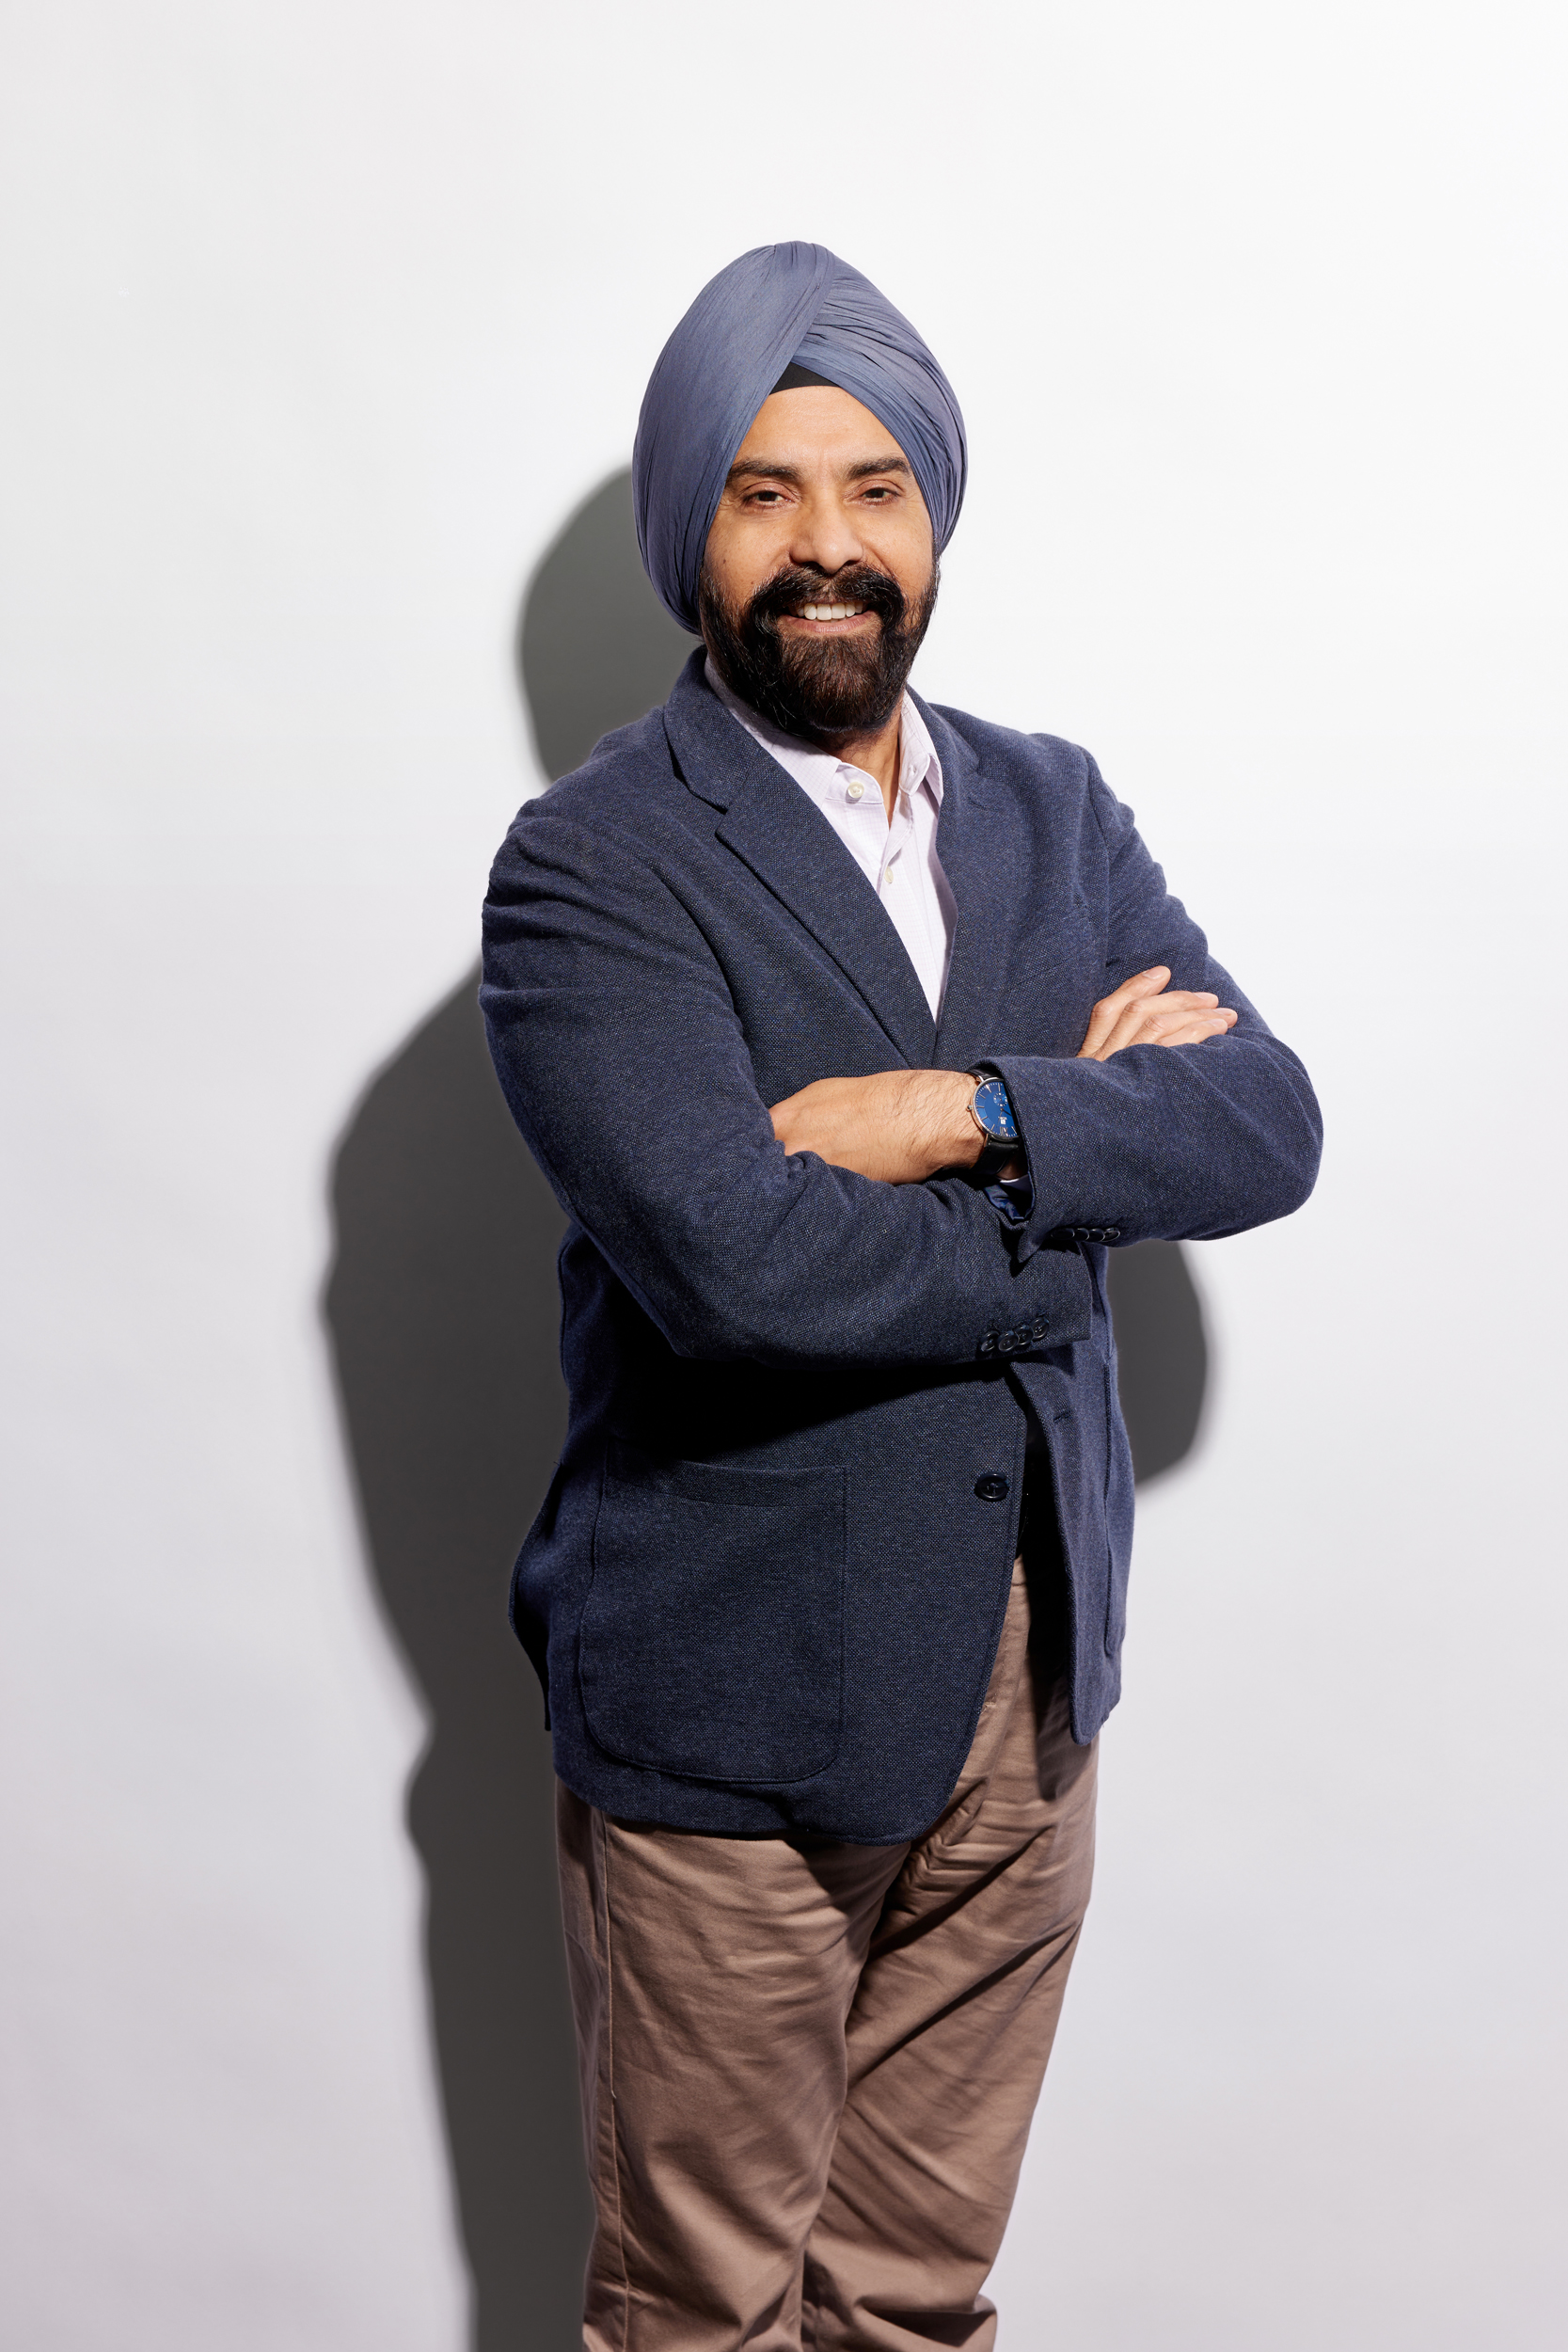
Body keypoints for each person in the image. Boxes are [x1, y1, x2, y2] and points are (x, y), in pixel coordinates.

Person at [481, 242, 1321, 2352]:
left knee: (917, 2301)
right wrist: (1090, 1174)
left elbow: (1265, 1124)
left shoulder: (1051, 806)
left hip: (1030, 1707)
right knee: (702, 2309)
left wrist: (962, 1110)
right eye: (762, 493)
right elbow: (734, 1265)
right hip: (734, 1713)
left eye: (876, 487)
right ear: (691, 532)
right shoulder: (591, 863)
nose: (827, 546)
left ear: (935, 516)